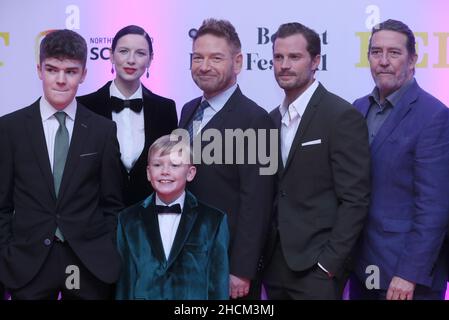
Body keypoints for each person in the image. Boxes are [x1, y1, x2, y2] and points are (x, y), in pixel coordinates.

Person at [0, 29, 124, 299]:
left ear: (84, 74)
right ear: (39, 70)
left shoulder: (102, 131)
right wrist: (7, 253)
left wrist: (106, 247)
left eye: (70, 71)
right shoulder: (10, 128)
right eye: (52, 69)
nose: (60, 80)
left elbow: (112, 203)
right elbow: (2, 204)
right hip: (28, 263)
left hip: (86, 262)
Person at [262, 22, 371, 300]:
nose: (284, 65)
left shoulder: (340, 116)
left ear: (315, 62)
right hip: (274, 269)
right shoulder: (271, 119)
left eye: (294, 57)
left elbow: (355, 199)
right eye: (278, 57)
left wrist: (328, 265)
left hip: (317, 271)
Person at [349, 19, 449, 300]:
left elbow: (435, 207)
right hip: (360, 268)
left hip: (405, 277)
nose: (383, 61)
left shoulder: (434, 116)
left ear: (413, 59)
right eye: (376, 52)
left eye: (394, 53)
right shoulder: (358, 108)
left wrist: (409, 273)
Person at [178, 18, 275, 299]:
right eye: (198, 57)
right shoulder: (188, 110)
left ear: (238, 62)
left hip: (228, 266)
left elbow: (257, 203)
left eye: (216, 58)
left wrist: (242, 270)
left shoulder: (256, 120)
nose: (204, 66)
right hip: (189, 257)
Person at [115, 134, 229, 299]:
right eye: (157, 165)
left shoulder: (213, 220)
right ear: (148, 173)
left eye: (175, 165)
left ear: (190, 173)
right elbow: (125, 284)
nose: (165, 171)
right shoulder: (128, 219)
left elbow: (218, 285)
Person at [77, 25, 178, 206]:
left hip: (149, 217)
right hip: (96, 219)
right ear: (111, 54)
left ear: (150, 59)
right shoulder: (85, 106)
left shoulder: (165, 108)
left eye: (140, 53)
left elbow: (170, 168)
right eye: (123, 51)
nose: (131, 60)